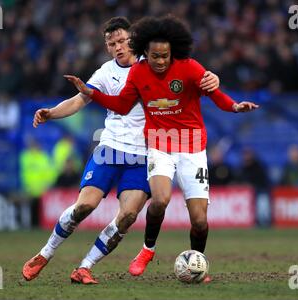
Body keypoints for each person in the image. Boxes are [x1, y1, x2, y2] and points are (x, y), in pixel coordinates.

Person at [22, 16, 220, 284]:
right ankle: (45, 254)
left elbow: (191, 72)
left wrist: (213, 78)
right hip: (110, 150)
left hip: (143, 156)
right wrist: (52, 113)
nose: (118, 47)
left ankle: (85, 267)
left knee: (127, 216)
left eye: (122, 41)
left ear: (133, 39)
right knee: (85, 206)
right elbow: (80, 99)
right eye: (112, 43)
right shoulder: (105, 72)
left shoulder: (154, 65)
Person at [65, 15, 258, 282]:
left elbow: (216, 95)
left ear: (173, 52)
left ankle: (196, 265)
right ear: (145, 52)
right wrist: (90, 92)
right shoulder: (138, 72)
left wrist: (235, 106)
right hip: (159, 143)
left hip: (191, 146)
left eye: (165, 55)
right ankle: (147, 249)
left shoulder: (189, 68)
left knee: (200, 221)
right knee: (160, 200)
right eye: (155, 56)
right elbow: (121, 105)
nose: (161, 61)